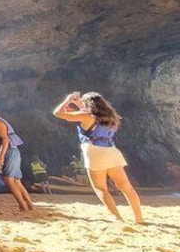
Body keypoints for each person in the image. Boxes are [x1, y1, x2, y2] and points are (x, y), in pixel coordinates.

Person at [52, 92, 143, 223]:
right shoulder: (111, 117)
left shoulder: (87, 116)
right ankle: (139, 218)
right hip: (112, 152)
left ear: (88, 105)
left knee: (100, 188)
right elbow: (89, 114)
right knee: (126, 187)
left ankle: (117, 218)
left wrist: (68, 99)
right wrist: (79, 104)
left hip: (95, 152)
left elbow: (58, 113)